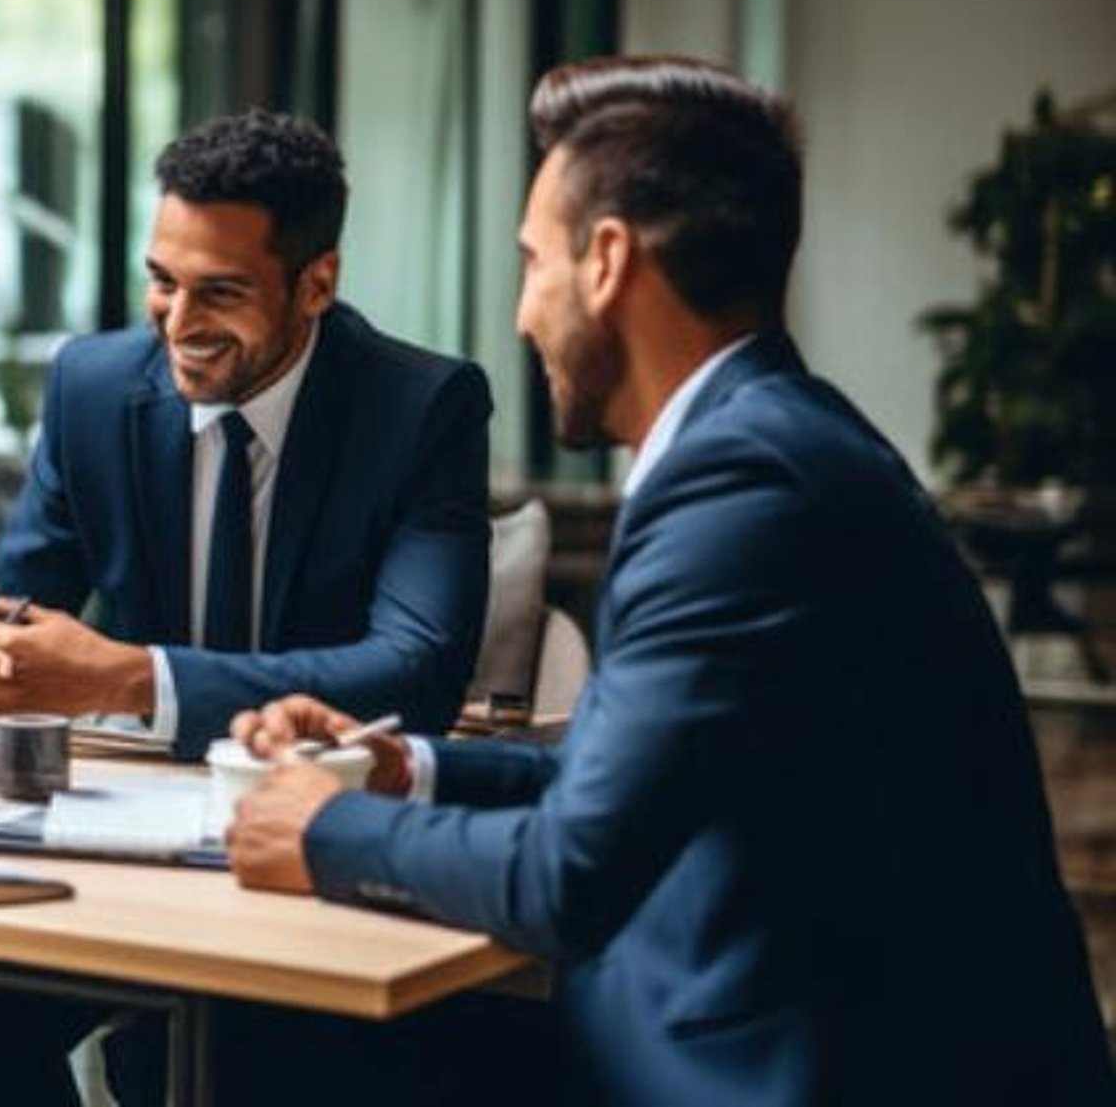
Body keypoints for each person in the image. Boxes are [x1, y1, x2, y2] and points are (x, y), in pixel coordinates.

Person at [226, 56, 1116, 1105]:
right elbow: (625, 784)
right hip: (799, 1024)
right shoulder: (770, 438)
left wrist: (323, 830)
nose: (520, 314)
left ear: (606, 261)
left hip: (810, 1065)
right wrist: (400, 767)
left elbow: (569, 877)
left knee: (303, 1055)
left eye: (532, 261)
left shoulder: (741, 486)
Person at [0, 111, 494, 1105]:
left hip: (314, 839)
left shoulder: (421, 408)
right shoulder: (92, 388)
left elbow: (415, 670)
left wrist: (131, 676)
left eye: (220, 292)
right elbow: (15, 614)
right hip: (124, 832)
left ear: (316, 283)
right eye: (162, 279)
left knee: (249, 1052)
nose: (178, 321)